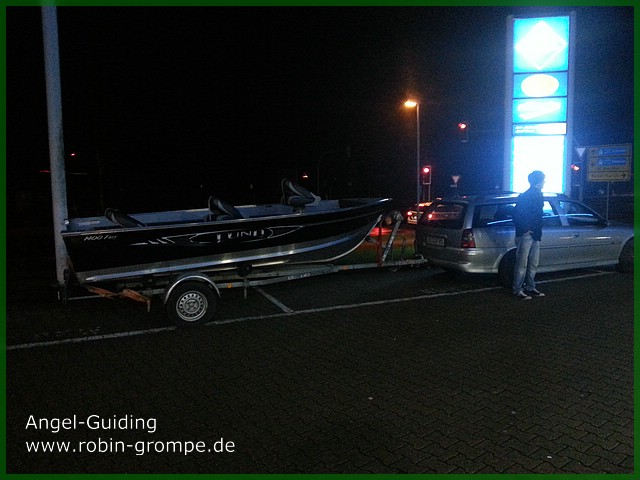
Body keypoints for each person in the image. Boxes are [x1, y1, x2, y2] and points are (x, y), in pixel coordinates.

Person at [512, 170, 546, 300]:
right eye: (543, 180)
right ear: (538, 181)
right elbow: (517, 214)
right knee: (523, 263)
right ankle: (518, 289)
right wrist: (526, 229)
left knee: (532, 263)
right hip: (529, 233)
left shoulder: (534, 195)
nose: (544, 182)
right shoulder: (527, 196)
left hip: (534, 233)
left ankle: (529, 286)